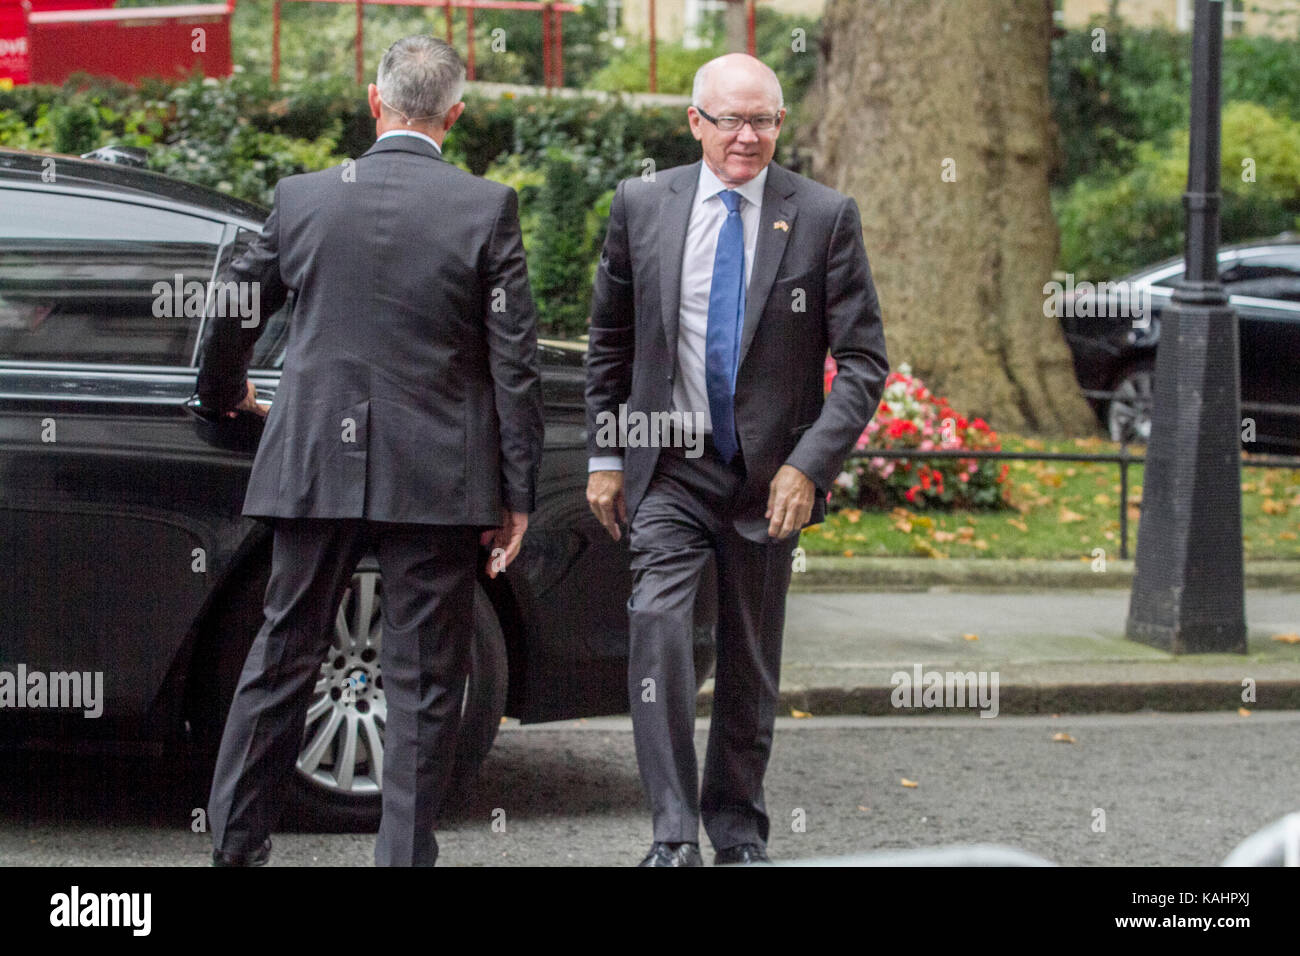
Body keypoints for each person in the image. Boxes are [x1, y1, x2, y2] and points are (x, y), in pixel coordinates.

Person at [192, 35, 543, 867]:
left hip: (313, 461)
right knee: (423, 685)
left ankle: (235, 850)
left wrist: (225, 395)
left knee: (281, 656)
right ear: (455, 116)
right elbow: (514, 365)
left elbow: (236, 298)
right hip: (438, 478)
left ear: (374, 102)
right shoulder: (485, 207)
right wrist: (517, 493)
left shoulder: (306, 197)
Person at [584, 53, 889, 866]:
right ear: (696, 123)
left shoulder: (823, 216)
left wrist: (809, 464)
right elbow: (609, 343)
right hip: (669, 471)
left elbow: (863, 362)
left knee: (750, 662)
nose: (746, 136)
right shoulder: (642, 205)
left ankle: (739, 831)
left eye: (762, 121)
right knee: (657, 626)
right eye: (730, 120)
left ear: (780, 125)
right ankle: (673, 832)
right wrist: (607, 453)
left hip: (766, 482)